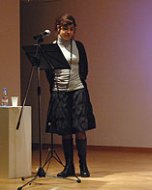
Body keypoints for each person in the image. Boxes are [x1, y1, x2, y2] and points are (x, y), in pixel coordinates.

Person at [45, 14, 96, 178]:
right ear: (57, 28)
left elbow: (84, 69)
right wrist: (55, 87)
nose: (68, 32)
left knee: (80, 128)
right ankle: (69, 167)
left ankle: (83, 165)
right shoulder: (52, 47)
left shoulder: (79, 46)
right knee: (65, 129)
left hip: (78, 90)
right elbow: (48, 72)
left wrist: (78, 81)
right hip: (60, 92)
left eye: (71, 29)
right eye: (65, 28)